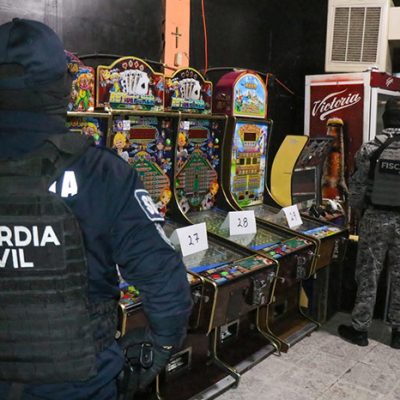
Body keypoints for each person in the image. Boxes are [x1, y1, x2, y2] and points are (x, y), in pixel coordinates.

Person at [0, 18, 192, 399]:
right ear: (62, 88)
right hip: (82, 385)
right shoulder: (103, 173)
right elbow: (165, 283)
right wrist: (159, 347)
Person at [338, 99, 400, 349]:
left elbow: (356, 192)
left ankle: (360, 329)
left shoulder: (370, 149)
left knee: (368, 274)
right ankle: (398, 334)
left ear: (385, 119)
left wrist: (358, 209)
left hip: (376, 218)